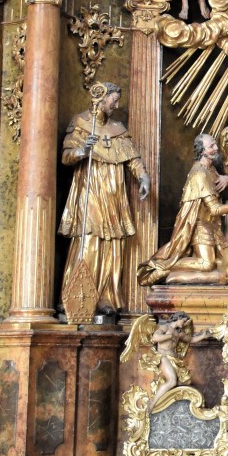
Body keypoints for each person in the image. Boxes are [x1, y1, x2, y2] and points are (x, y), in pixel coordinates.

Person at [59, 83, 150, 316]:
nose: (116, 105)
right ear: (101, 97)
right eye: (114, 100)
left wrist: (143, 176)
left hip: (114, 193)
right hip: (90, 189)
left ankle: (105, 297)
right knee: (89, 239)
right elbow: (66, 156)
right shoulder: (81, 123)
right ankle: (77, 293)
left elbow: (132, 158)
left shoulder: (117, 129)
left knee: (112, 243)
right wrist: (82, 151)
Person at [137, 133, 228, 284]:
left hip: (214, 227)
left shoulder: (210, 168)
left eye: (215, 144)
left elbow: (225, 185)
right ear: (202, 151)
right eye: (211, 146)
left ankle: (176, 273)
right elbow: (214, 209)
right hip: (201, 227)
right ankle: (164, 268)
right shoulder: (199, 174)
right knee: (207, 265)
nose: (216, 148)